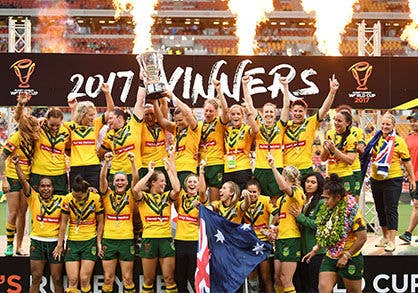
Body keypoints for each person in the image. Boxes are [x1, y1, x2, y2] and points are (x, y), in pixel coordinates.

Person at [303, 174, 367, 293]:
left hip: (351, 257)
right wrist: (315, 249)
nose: (324, 201)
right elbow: (327, 234)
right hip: (331, 255)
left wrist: (346, 255)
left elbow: (362, 238)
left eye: (327, 198)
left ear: (337, 197)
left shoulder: (352, 212)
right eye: (324, 197)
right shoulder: (326, 210)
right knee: (323, 288)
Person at [363, 113, 416, 252]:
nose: (385, 127)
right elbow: (369, 155)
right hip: (376, 179)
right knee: (380, 209)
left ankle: (392, 240)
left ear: (393, 126)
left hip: (393, 179)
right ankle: (385, 237)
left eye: (388, 124)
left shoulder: (398, 141)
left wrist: (411, 178)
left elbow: (407, 161)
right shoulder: (375, 140)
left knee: (391, 209)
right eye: (383, 124)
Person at [132, 149, 181, 293]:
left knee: (169, 279)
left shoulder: (167, 197)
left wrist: (169, 171)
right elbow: (135, 189)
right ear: (153, 183)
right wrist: (149, 172)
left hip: (166, 239)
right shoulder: (144, 198)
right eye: (162, 181)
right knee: (148, 280)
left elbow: (177, 189)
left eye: (165, 181)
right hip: (149, 240)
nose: (165, 184)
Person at [14, 155, 64, 293]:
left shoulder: (63, 200)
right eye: (43, 186)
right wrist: (17, 165)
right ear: (38, 188)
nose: (46, 189)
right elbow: (23, 181)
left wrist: (90, 190)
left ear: (53, 188)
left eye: (48, 186)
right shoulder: (33, 198)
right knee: (36, 277)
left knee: (57, 279)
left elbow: (79, 194)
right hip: (37, 242)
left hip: (55, 244)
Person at [1, 93, 40, 256]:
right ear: (29, 128)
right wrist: (3, 180)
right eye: (36, 127)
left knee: (24, 213)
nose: (38, 129)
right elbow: (2, 157)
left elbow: (19, 116)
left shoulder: (34, 138)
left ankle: (19, 246)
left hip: (28, 178)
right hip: (13, 177)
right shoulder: (16, 137)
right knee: (13, 212)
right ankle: (9, 245)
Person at [52, 175, 104, 293]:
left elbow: (101, 222)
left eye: (79, 197)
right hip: (73, 242)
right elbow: (63, 223)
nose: (76, 199)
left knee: (85, 279)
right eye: (74, 196)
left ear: (86, 192)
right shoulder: (67, 199)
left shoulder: (95, 198)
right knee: (73, 280)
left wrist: (99, 242)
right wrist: (60, 244)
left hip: (89, 241)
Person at [243, 75, 289, 202]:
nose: (268, 114)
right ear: (262, 114)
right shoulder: (258, 125)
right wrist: (245, 86)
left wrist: (285, 86)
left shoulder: (280, 126)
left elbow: (286, 106)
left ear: (275, 114)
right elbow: (249, 104)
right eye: (266, 112)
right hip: (260, 168)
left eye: (271, 112)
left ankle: (274, 222)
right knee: (260, 199)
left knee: (276, 199)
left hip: (277, 166)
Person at [283, 75, 339, 178]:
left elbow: (324, 109)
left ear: (305, 112)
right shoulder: (285, 126)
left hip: (305, 168)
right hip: (287, 169)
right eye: (295, 111)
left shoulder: (310, 123)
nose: (298, 113)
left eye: (301, 111)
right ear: (291, 112)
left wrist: (332, 92)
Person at [99, 152, 138, 293]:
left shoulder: (131, 194)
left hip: (126, 240)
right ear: (113, 183)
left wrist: (133, 163)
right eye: (117, 180)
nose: (120, 182)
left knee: (127, 279)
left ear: (127, 183)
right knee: (108, 278)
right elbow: (102, 179)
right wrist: (106, 163)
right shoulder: (107, 194)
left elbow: (136, 179)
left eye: (122, 180)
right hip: (109, 240)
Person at [65, 83, 114, 190]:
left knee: (95, 195)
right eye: (90, 115)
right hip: (76, 167)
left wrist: (107, 93)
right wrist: (43, 120)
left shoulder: (96, 124)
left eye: (94, 114)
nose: (93, 117)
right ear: (82, 114)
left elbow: (110, 111)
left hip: (93, 167)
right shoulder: (70, 126)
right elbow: (55, 123)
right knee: (77, 196)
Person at [267, 154, 304, 293]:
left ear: (287, 178)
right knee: (277, 278)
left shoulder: (296, 191)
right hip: (281, 238)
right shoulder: (282, 199)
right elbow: (285, 218)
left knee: (285, 278)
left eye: (283, 176)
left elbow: (283, 187)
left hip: (291, 239)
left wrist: (272, 166)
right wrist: (275, 228)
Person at [153, 91, 202, 190]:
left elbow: (187, 113)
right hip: (173, 169)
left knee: (184, 198)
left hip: (187, 168)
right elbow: (161, 121)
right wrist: (154, 101)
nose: (178, 123)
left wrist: (173, 97)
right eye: (176, 121)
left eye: (180, 120)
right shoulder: (176, 129)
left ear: (187, 119)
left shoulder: (193, 128)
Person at [174, 162, 207, 293]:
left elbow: (203, 191)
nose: (192, 184)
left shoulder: (202, 200)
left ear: (198, 185)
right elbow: (175, 184)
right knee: (180, 276)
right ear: (185, 184)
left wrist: (202, 172)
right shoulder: (181, 196)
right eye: (190, 181)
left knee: (193, 275)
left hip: (195, 242)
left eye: (195, 182)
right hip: (180, 241)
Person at [289, 172, 325, 293]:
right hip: (302, 250)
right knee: (304, 286)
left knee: (314, 286)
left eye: (313, 182)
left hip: (316, 251)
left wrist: (300, 217)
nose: (309, 184)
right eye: (307, 181)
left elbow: (318, 224)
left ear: (319, 185)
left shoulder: (321, 202)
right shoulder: (302, 200)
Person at [241, 179, 278, 293]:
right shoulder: (241, 202)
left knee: (266, 276)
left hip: (263, 242)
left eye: (254, 192)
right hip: (249, 241)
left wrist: (271, 227)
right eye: (250, 192)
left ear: (259, 192)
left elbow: (277, 213)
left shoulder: (265, 200)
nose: (252, 194)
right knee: (252, 276)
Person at [223, 77, 259, 190]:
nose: (236, 117)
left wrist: (245, 85)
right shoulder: (227, 130)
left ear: (243, 116)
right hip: (228, 168)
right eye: (233, 114)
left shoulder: (247, 129)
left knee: (242, 198)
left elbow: (256, 130)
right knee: (228, 199)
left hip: (243, 168)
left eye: (238, 114)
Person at [198, 79, 228, 201]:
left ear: (216, 112)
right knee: (201, 194)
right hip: (201, 164)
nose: (208, 113)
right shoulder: (200, 125)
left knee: (215, 199)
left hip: (216, 162)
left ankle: (214, 219)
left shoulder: (220, 123)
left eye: (211, 111)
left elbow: (226, 111)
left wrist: (219, 91)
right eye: (206, 110)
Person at [30, 107, 70, 195]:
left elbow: (69, 150)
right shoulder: (39, 128)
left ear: (62, 122)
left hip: (59, 174)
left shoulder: (66, 131)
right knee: (38, 205)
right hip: (39, 172)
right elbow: (25, 124)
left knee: (60, 205)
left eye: (58, 125)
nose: (54, 128)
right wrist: (38, 120)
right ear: (47, 120)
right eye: (51, 125)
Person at [99, 107, 142, 185]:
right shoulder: (109, 135)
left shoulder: (133, 125)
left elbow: (140, 102)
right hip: (115, 173)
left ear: (120, 118)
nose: (108, 121)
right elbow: (100, 154)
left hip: (134, 171)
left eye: (111, 118)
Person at [321, 110, 357, 194]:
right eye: (335, 120)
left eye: (339, 121)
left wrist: (334, 150)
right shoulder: (329, 133)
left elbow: (350, 160)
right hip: (330, 176)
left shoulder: (351, 138)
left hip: (345, 177)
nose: (336, 123)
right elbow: (323, 159)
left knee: (347, 205)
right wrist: (326, 149)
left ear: (347, 123)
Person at [336, 105, 366, 199]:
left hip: (354, 169)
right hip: (339, 169)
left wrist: (351, 144)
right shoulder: (333, 132)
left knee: (353, 199)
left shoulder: (357, 131)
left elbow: (362, 150)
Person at [400, 112, 418, 243]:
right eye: (411, 121)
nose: (412, 123)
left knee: (417, 205)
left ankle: (408, 233)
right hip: (414, 178)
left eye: (415, 121)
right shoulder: (408, 139)